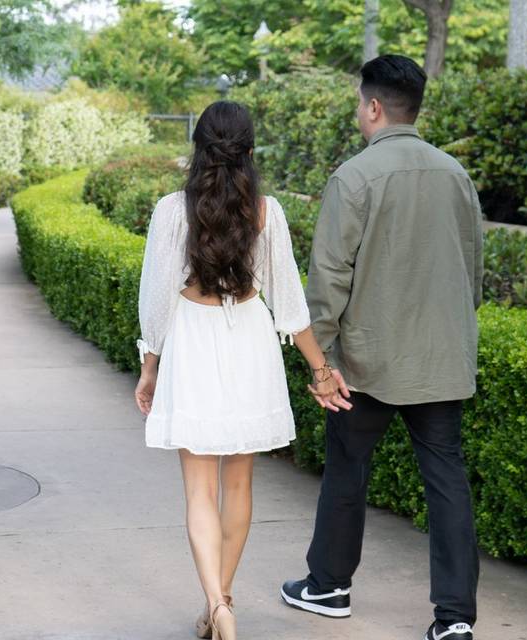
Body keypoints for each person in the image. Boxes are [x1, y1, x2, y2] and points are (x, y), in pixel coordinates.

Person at [278, 54, 484, 640]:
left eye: (357, 103)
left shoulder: (355, 176)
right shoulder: (455, 175)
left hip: (365, 363)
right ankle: (454, 621)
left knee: (348, 468)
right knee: (447, 481)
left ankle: (328, 587)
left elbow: (328, 279)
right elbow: (473, 268)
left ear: (372, 106)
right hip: (441, 361)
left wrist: (322, 362)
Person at [133, 101, 352, 640]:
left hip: (193, 341)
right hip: (249, 340)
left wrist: (150, 365)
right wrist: (321, 369)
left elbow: (157, 303)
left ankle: (217, 606)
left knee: (199, 491)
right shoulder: (265, 210)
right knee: (240, 484)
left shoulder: (171, 210)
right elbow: (290, 302)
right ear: (250, 150)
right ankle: (223, 598)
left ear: (198, 148)